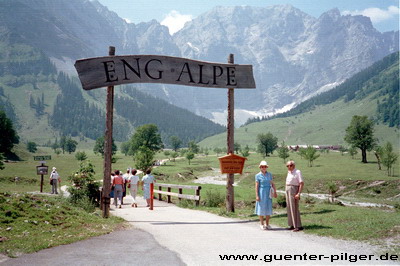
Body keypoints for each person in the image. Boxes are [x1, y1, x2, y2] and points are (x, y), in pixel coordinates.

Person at [255, 161, 277, 230]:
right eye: (262, 166)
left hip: (268, 192)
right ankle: (261, 223)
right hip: (261, 192)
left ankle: (267, 224)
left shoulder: (269, 174)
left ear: (266, 167)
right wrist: (257, 195)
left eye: (265, 166)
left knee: (268, 207)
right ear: (260, 167)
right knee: (261, 207)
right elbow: (256, 186)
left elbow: (272, 183)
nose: (263, 168)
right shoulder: (258, 175)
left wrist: (275, 192)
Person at [285, 160, 304, 232]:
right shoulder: (289, 172)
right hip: (288, 189)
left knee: (294, 208)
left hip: (294, 189)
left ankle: (297, 226)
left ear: (294, 165)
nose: (289, 167)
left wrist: (298, 193)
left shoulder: (297, 172)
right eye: (287, 166)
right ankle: (291, 224)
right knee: (289, 207)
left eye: (290, 165)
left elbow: (301, 183)